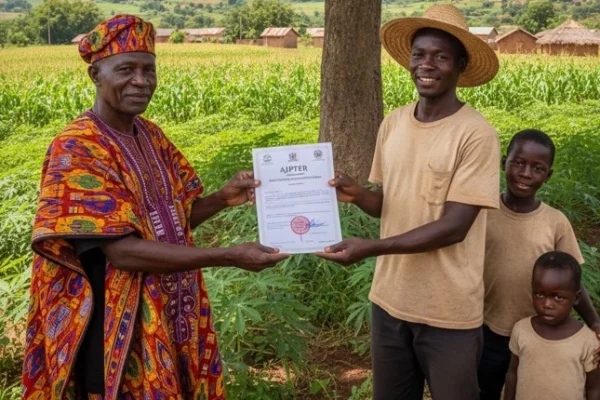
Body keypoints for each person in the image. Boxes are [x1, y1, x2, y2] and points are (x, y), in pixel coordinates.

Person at [21, 15, 288, 400]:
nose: (141, 81)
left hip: (172, 315)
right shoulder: (78, 147)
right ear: (96, 75)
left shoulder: (151, 135)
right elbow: (123, 251)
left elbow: (172, 221)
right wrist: (227, 255)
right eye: (126, 69)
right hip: (114, 335)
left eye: (149, 69)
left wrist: (222, 198)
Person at [317, 4, 501, 400]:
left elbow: (454, 227)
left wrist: (372, 248)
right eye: (419, 54)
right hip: (389, 300)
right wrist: (358, 195)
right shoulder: (394, 123)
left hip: (448, 311)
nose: (426, 65)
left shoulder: (476, 134)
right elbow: (389, 203)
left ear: (460, 65)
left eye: (440, 56)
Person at [479, 129, 600, 399]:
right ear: (504, 162)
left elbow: (572, 281)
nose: (525, 173)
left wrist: (594, 321)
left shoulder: (555, 222)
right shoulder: (483, 212)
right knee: (484, 390)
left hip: (539, 334)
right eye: (518, 163)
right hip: (487, 330)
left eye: (537, 168)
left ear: (548, 175)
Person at [504, 251, 600, 400]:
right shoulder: (521, 330)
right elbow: (512, 373)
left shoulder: (588, 341)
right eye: (539, 294)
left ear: (576, 298)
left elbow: (594, 389)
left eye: (558, 297)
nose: (547, 304)